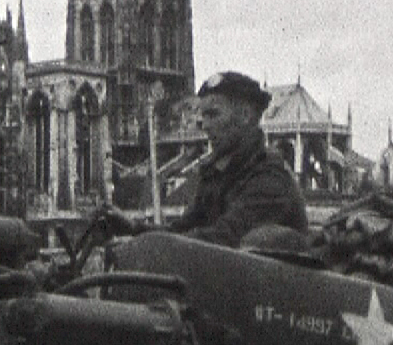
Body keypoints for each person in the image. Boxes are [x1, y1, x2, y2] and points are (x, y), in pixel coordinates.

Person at [99, 71, 308, 248]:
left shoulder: (269, 176)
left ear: (245, 116)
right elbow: (184, 228)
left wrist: (145, 244)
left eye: (213, 115)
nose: (204, 125)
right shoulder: (218, 172)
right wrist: (134, 228)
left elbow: (223, 238)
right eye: (203, 116)